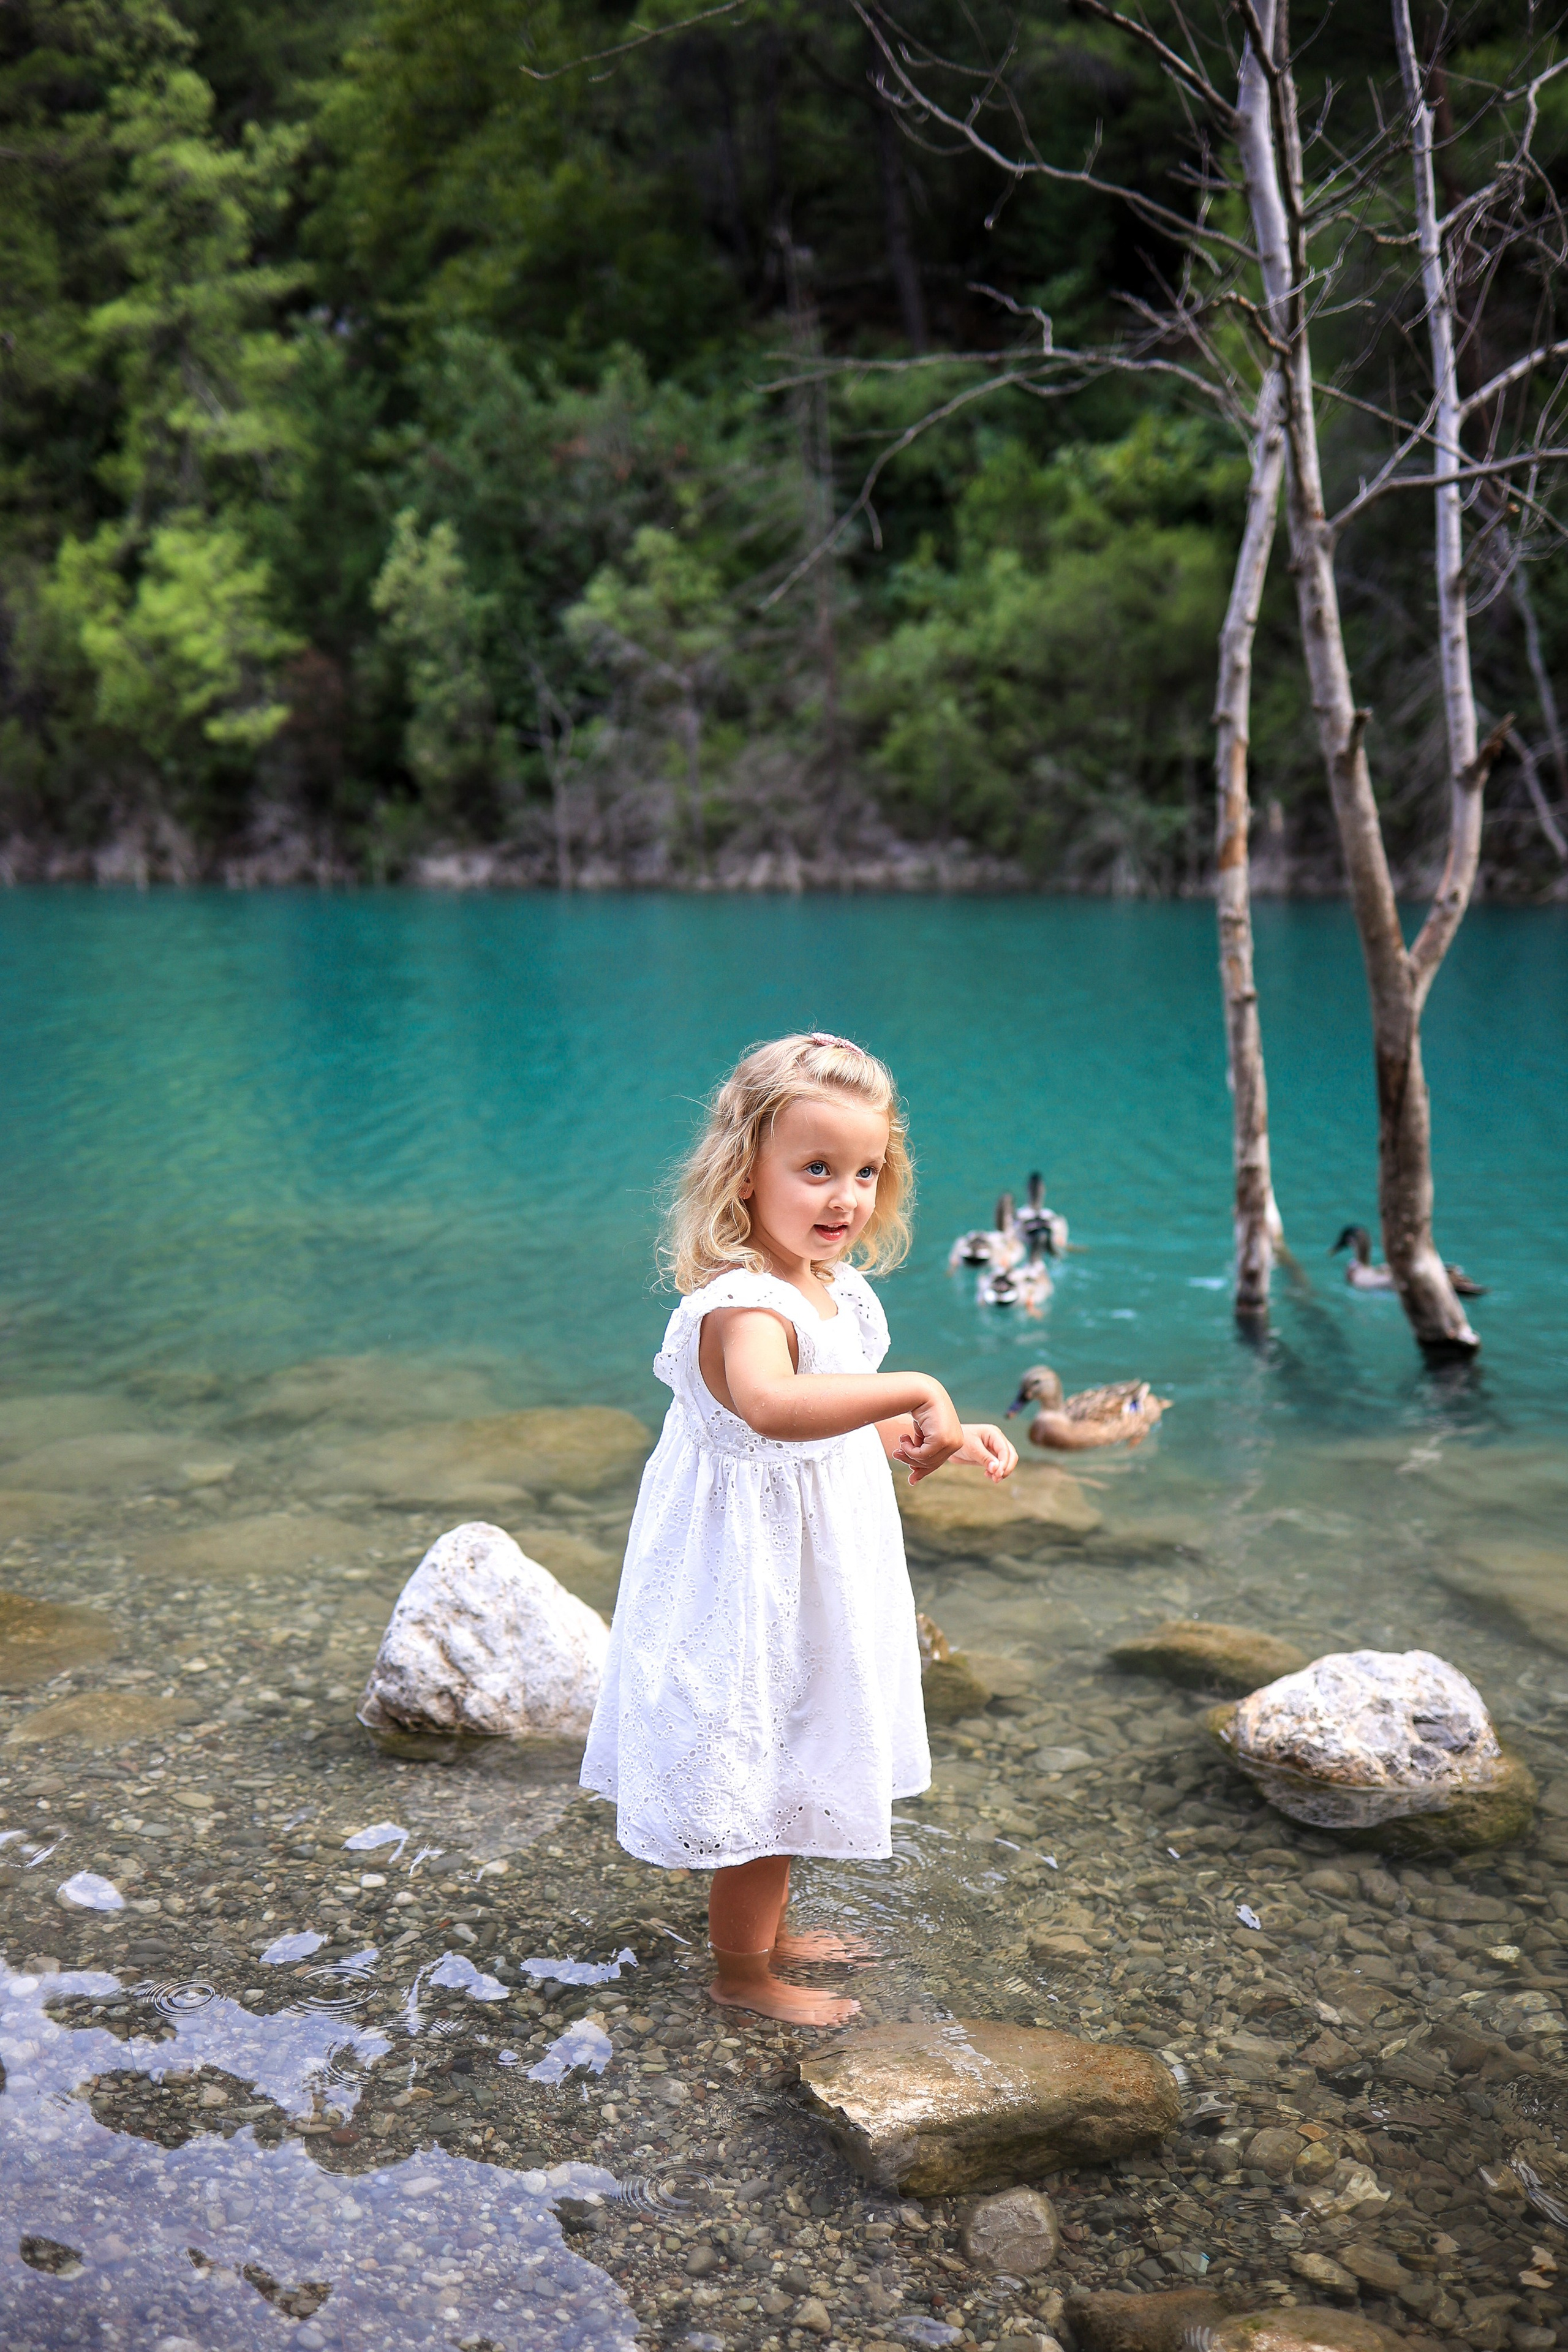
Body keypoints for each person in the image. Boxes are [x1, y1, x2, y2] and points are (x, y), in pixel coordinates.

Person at [581, 1032, 1017, 2024]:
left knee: (805, 1744)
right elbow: (774, 1408)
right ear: (745, 1174)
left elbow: (836, 1420)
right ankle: (742, 1979)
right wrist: (917, 1384)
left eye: (864, 1174)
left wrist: (934, 1431)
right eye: (815, 1170)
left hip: (812, 1568)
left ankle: (766, 1936)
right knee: (760, 1775)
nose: (844, 1198)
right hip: (742, 1576)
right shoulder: (741, 1303)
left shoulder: (839, 1292)